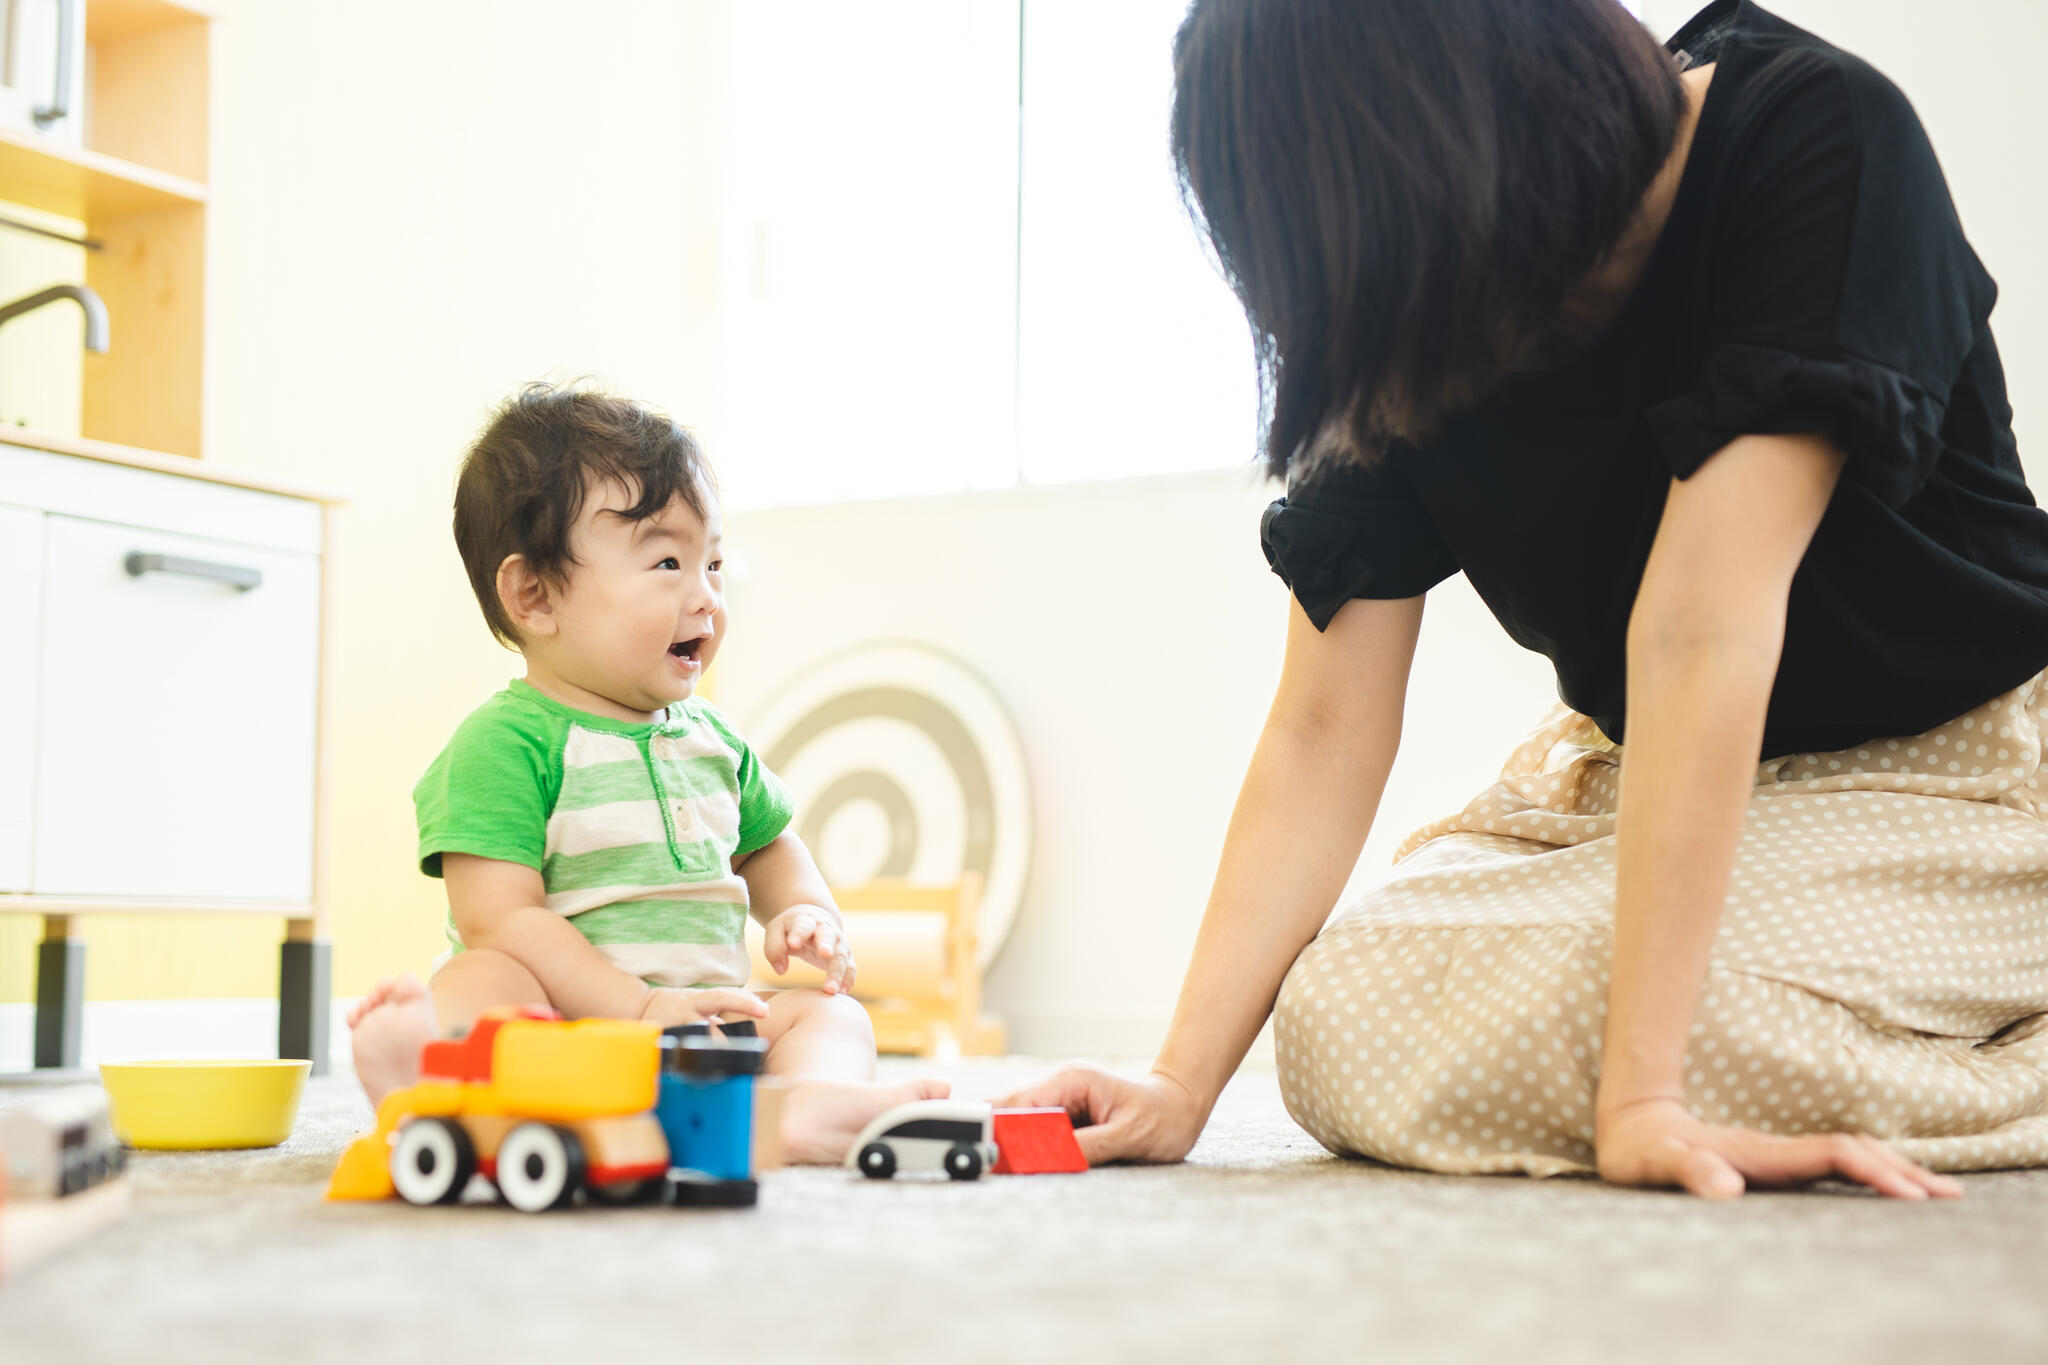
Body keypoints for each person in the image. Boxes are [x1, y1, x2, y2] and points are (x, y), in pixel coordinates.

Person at [1007, 0, 2048, 1198]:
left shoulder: (1811, 133)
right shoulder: (1407, 316)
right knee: (1334, 1011)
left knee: (1662, 1022)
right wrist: (1183, 1081)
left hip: (1956, 764)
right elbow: (1322, 725)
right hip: (1644, 772)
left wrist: (1641, 1100)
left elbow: (1700, 626)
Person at [346, 383, 945, 1163]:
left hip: (704, 1030)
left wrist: (804, 910)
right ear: (534, 595)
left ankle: (793, 1108)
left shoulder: (714, 740)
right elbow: (502, 918)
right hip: (566, 1033)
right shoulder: (506, 743)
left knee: (832, 1017)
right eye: (668, 561)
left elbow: (768, 845)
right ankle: (432, 1084)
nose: (706, 598)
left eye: (715, 564)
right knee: (478, 980)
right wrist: (637, 1006)